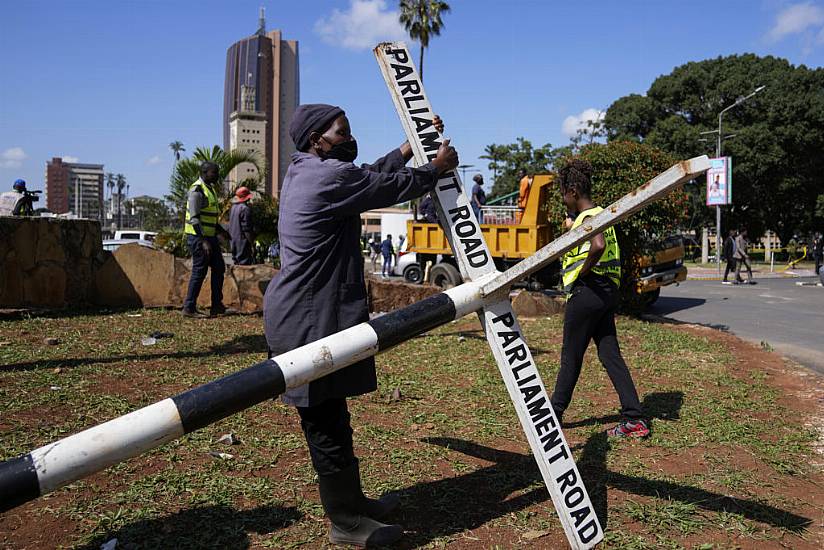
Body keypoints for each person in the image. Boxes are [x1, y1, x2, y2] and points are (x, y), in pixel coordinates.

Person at [263, 104, 457, 546]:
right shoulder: (327, 178)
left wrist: (410, 146)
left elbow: (371, 172)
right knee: (324, 423)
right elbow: (384, 185)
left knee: (334, 415)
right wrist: (434, 169)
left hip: (312, 315)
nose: (349, 138)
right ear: (317, 138)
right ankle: (346, 522)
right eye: (342, 131)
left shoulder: (310, 171)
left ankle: (353, 502)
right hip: (305, 320)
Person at [550, 158, 649, 438]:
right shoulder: (605, 214)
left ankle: (552, 415)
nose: (563, 200)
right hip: (606, 293)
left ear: (572, 191)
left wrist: (581, 274)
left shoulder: (588, 218)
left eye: (563, 194)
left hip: (588, 291)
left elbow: (598, 245)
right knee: (610, 355)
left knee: (570, 357)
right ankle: (634, 419)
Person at [182, 161, 228, 318]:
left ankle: (217, 305)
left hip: (210, 236)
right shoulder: (197, 191)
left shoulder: (210, 190)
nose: (217, 175)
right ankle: (189, 308)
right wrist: (203, 241)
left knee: (219, 268)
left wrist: (222, 232)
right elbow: (194, 219)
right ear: (205, 172)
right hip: (198, 237)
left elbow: (210, 218)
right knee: (199, 271)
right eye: (214, 172)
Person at [228, 186, 255, 265]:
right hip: (242, 244)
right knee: (245, 269)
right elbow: (246, 229)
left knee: (237, 267)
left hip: (233, 242)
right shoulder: (245, 209)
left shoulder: (233, 208)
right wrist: (252, 243)